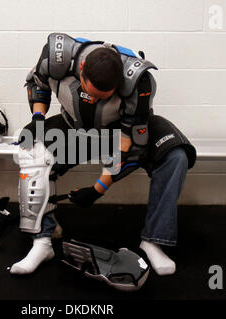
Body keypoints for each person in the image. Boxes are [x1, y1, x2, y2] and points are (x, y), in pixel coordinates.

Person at [11, 33, 196, 276]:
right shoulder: (57, 57)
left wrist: (98, 189)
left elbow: (130, 145)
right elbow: (38, 84)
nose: (94, 100)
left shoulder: (139, 83)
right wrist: (38, 119)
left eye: (102, 97)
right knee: (31, 147)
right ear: (82, 69)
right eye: (92, 93)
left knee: (176, 155)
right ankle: (42, 242)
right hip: (75, 126)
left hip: (121, 132)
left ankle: (153, 240)